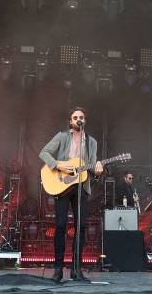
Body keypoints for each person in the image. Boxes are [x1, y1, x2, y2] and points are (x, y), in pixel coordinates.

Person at [39, 107, 103, 283]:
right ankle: (58, 269)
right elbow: (43, 152)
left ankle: (76, 269)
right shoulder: (62, 136)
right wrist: (58, 165)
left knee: (80, 227)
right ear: (70, 121)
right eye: (75, 117)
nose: (78, 119)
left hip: (81, 186)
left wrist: (97, 169)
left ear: (85, 120)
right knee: (60, 226)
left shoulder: (92, 142)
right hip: (62, 185)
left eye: (81, 117)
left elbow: (91, 168)